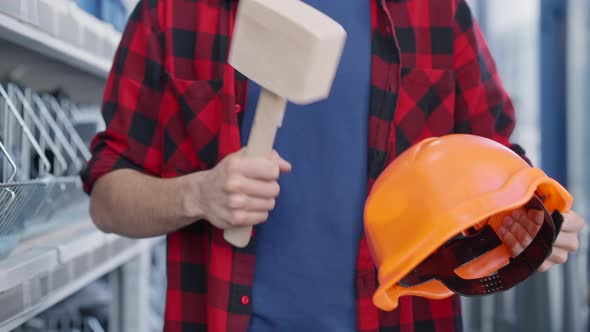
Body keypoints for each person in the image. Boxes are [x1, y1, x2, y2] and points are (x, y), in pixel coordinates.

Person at [80, 0, 585, 331]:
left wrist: (525, 222)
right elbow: (107, 200)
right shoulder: (175, 11)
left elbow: (498, 163)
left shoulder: (436, 10)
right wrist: (198, 195)